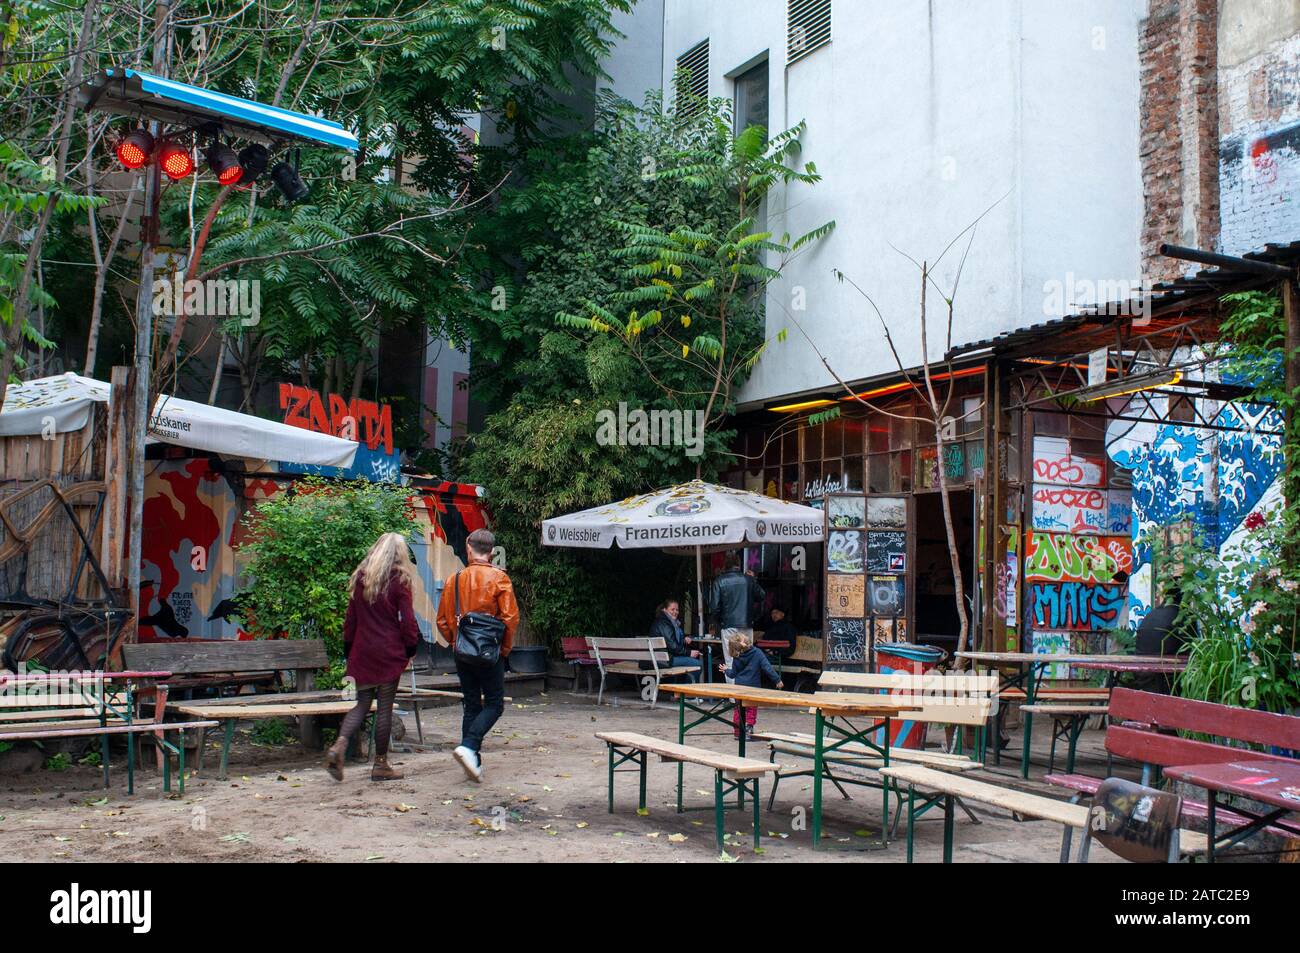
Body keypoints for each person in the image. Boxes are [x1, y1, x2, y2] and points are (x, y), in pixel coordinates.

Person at [326, 532, 422, 782]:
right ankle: (380, 765)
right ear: (399, 554)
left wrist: (350, 652)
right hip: (389, 653)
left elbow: (350, 621)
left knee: (360, 703)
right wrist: (410, 649)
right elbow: (408, 621)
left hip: (362, 652)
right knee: (384, 708)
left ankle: (339, 745)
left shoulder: (361, 578)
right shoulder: (400, 579)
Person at [435, 528, 519, 784]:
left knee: (471, 704)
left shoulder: (454, 579)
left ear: (469, 548)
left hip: (462, 652)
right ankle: (470, 748)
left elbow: (441, 620)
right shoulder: (500, 579)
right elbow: (510, 619)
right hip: (490, 652)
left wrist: (455, 642)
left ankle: (472, 761)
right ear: (492, 553)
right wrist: (503, 650)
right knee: (495, 704)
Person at [707, 552, 765, 683]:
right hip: (747, 625)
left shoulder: (720, 581)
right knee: (748, 661)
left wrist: (720, 623)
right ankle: (746, 697)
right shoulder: (748, 580)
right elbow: (761, 596)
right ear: (738, 564)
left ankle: (734, 699)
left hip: (729, 625)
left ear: (725, 565)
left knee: (730, 662)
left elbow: (714, 608)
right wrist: (754, 580)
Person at [718, 633, 782, 740]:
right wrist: (777, 680)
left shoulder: (737, 656)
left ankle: (737, 733)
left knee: (738, 709)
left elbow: (733, 674)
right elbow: (767, 667)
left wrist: (725, 670)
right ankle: (748, 731)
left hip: (739, 689)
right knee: (751, 709)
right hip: (753, 688)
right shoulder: (757, 653)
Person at [650, 599, 702, 682]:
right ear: (664, 610)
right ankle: (686, 692)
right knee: (697, 664)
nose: (675, 612)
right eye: (672, 609)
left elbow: (672, 638)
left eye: (677, 610)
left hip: (664, 657)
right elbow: (673, 645)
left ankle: (681, 692)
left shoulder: (669, 622)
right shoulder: (664, 623)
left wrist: (683, 637)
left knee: (691, 662)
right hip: (664, 660)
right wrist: (689, 653)